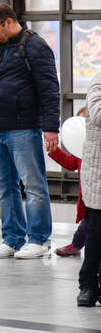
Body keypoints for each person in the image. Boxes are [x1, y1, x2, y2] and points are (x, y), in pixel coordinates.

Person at [0, 3, 60, 260]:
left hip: (23, 127)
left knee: (33, 185)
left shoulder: (34, 46)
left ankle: (40, 239)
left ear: (8, 22)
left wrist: (50, 128)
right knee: (4, 186)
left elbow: (49, 89)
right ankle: (12, 238)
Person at [74, 79, 101, 307]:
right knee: (96, 233)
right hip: (98, 172)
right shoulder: (98, 85)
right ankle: (88, 285)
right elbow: (99, 114)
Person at [50, 108, 88, 259]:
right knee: (87, 223)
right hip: (88, 197)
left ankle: (76, 246)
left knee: (89, 223)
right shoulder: (81, 151)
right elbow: (70, 163)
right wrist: (54, 151)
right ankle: (76, 245)